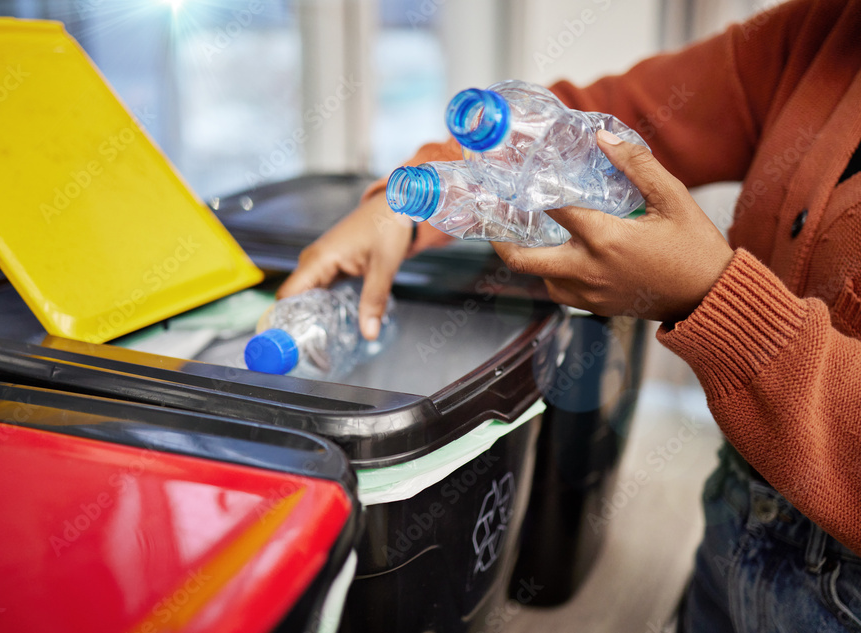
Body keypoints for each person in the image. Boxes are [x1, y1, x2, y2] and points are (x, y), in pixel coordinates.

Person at [278, 0, 861, 630]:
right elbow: (592, 121)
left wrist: (713, 299)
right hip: (744, 503)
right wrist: (411, 194)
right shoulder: (826, 30)